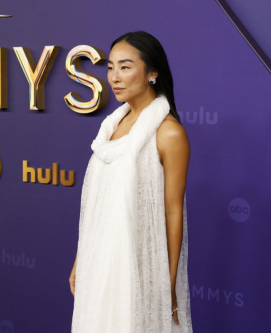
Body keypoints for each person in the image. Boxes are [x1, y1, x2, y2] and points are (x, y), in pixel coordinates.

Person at [69, 31, 192, 333]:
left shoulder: (169, 134)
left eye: (125, 67)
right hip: (100, 264)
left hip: (140, 268)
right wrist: (80, 259)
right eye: (110, 67)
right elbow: (99, 208)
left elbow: (173, 213)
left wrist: (169, 282)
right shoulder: (110, 127)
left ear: (152, 72)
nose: (114, 77)